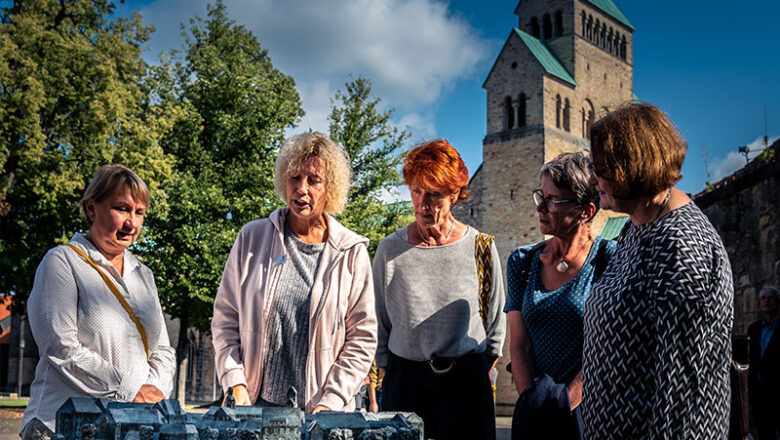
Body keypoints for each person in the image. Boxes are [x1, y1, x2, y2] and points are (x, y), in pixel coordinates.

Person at [582, 103, 734, 439]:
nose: (593, 180)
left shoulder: (681, 245)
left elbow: (684, 395)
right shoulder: (638, 226)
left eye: (600, 169)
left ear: (632, 168)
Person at [211, 132, 376, 413]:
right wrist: (235, 382)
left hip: (323, 414)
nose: (302, 188)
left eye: (314, 180)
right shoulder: (252, 237)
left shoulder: (351, 251)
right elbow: (226, 320)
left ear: (330, 188)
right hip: (255, 409)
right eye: (294, 178)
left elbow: (361, 338)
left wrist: (331, 402)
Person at [20, 165, 175, 440]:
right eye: (122, 209)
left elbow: (162, 350)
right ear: (91, 209)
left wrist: (153, 394)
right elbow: (61, 347)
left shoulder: (144, 275)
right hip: (63, 428)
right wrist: (129, 391)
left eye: (139, 213)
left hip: (128, 428)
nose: (132, 223)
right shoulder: (62, 262)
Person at [373, 139, 506, 440]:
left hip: (466, 384)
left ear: (456, 194)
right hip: (405, 382)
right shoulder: (389, 249)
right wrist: (386, 371)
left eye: (434, 195)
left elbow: (496, 322)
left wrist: (478, 373)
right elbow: (378, 320)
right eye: (417, 191)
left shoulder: (481, 248)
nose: (423, 204)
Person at [505, 152, 615, 439]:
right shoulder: (522, 262)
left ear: (586, 211)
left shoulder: (608, 260)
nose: (540, 207)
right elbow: (519, 345)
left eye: (552, 200)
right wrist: (533, 400)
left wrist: (566, 403)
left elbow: (606, 348)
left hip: (590, 412)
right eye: (540, 196)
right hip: (536, 410)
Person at [748, 285, 780, 440]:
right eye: (763, 298)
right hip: (759, 392)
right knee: (764, 433)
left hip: (777, 391)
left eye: (771, 298)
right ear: (759, 304)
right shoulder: (753, 329)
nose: (767, 301)